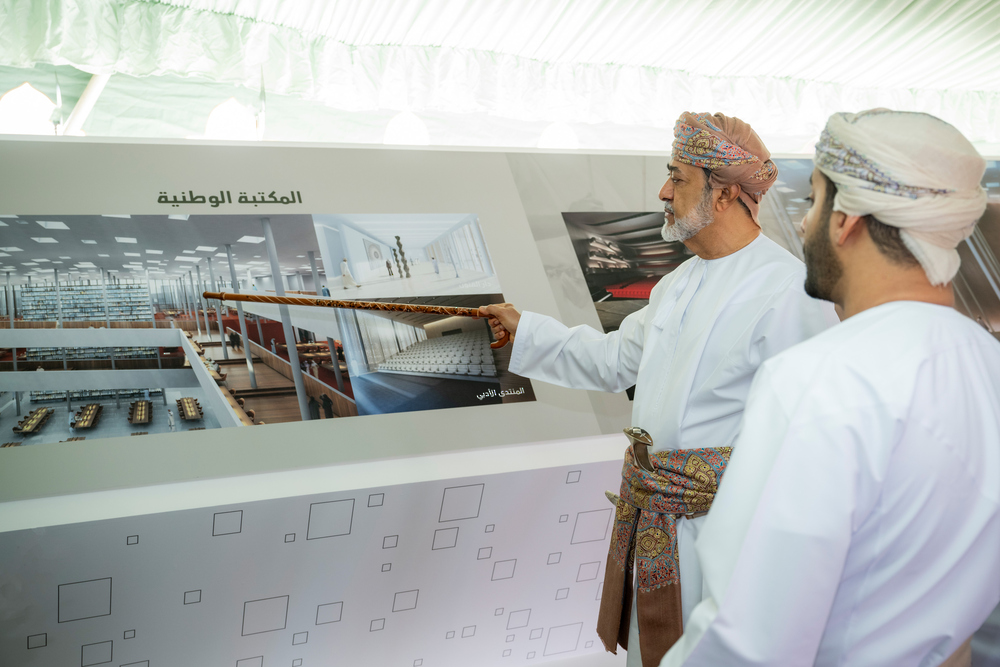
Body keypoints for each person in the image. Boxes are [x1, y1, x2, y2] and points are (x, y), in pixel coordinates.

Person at [481, 111, 839, 667]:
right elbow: (612, 362)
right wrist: (523, 328)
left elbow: (814, 439)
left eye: (677, 177)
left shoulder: (789, 290)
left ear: (724, 193)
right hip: (659, 524)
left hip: (731, 535)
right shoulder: (677, 284)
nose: (663, 192)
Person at [660, 109, 999, 667]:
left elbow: (750, 637)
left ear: (846, 221)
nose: (803, 224)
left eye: (813, 201)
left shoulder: (819, 380)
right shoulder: (987, 364)